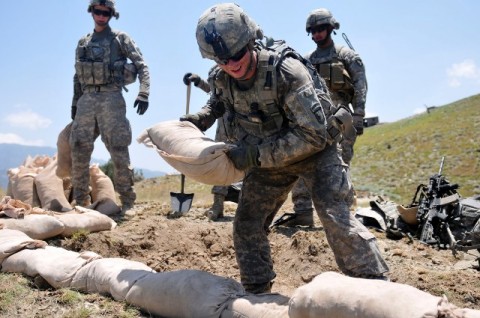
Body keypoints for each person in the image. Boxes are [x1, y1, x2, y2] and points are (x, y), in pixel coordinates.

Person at [181, 3, 388, 294]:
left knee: (335, 217)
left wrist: (254, 155)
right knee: (247, 223)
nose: (232, 64)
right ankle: (256, 292)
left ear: (250, 41)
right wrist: (201, 118)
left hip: (315, 153)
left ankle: (376, 290)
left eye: (237, 54)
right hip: (269, 159)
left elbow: (313, 135)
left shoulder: (286, 72)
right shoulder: (220, 76)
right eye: (221, 59)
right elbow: (217, 101)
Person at [284, 8, 367, 227]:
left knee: (340, 166)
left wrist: (359, 113)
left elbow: (360, 85)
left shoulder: (346, 55)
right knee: (303, 161)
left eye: (321, 28)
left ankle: (345, 217)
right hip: (315, 120)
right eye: (313, 30)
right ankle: (302, 212)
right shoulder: (307, 60)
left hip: (343, 118)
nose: (317, 33)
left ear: (331, 28)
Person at [69, 0, 150, 217]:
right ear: (91, 12)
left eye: (106, 13)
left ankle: (128, 201)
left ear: (111, 14)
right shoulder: (83, 42)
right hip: (86, 100)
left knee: (118, 148)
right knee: (78, 148)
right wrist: (75, 104)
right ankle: (80, 202)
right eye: (98, 11)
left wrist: (144, 92)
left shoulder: (120, 39)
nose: (101, 16)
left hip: (111, 98)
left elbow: (142, 65)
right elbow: (78, 76)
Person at [183, 72, 242, 221]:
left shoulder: (244, 66)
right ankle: (217, 206)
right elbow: (214, 93)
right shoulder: (218, 69)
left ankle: (247, 208)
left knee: (247, 165)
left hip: (244, 126)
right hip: (223, 127)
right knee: (219, 164)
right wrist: (199, 82)